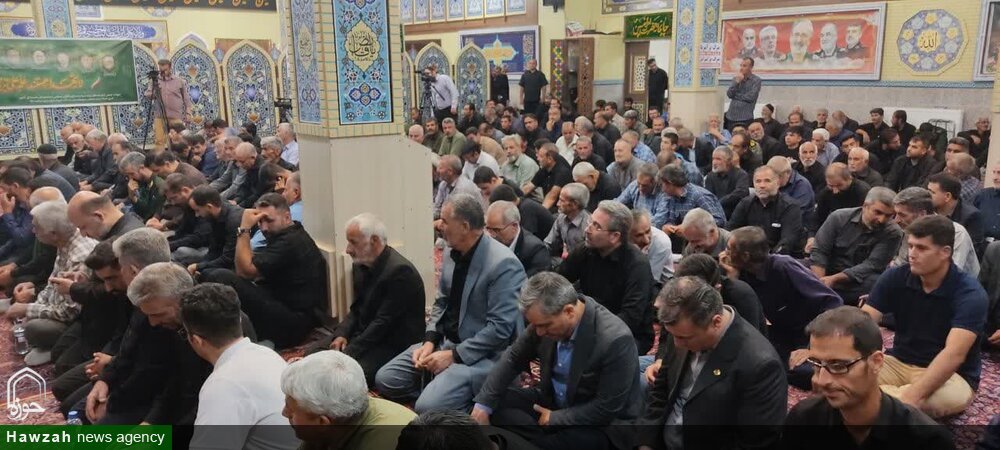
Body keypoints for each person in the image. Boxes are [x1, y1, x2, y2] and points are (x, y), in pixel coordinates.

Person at [376, 194, 525, 412]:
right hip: (446, 342)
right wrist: (430, 341)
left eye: (445, 221)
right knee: (386, 379)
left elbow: (499, 330)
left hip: (483, 355)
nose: (439, 225)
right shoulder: (450, 251)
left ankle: (473, 401)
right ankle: (444, 392)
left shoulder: (504, 265)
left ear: (464, 226)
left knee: (426, 407)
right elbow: (442, 302)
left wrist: (454, 356)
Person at [471, 272, 641, 450]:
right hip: (551, 402)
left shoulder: (614, 339)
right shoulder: (545, 320)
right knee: (492, 402)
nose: (539, 332)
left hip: (599, 424)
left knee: (564, 442)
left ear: (569, 311)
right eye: (535, 325)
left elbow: (606, 408)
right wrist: (483, 406)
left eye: (544, 326)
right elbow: (513, 358)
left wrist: (555, 419)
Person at [631, 276, 786, 450]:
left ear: (716, 322)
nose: (677, 344)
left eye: (684, 337)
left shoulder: (760, 365)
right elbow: (660, 394)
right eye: (673, 335)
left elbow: (755, 442)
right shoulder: (682, 331)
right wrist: (646, 443)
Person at [863, 215, 988, 418]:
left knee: (944, 399)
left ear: (945, 252)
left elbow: (954, 354)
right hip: (898, 362)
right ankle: (884, 401)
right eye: (911, 246)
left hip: (952, 375)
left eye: (921, 248)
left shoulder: (970, 294)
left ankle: (876, 400)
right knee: (847, 377)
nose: (912, 254)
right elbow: (864, 323)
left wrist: (912, 396)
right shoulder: (896, 276)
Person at [782, 306, 955, 449]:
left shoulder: (927, 439)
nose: (821, 380)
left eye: (839, 365)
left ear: (876, 362)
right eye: (817, 364)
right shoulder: (804, 419)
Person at [720, 226, 842, 389]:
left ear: (745, 256)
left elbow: (833, 302)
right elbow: (737, 314)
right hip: (783, 332)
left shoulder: (783, 266)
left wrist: (812, 348)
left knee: (802, 371)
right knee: (753, 362)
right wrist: (733, 279)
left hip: (811, 333)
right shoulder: (742, 272)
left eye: (729, 249)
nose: (724, 253)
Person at [184, 283, 300, 450]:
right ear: (239, 320)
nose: (153, 322)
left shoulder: (224, 384)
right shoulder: (266, 354)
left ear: (195, 340)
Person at [202, 194, 327, 349]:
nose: (264, 227)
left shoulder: (289, 242)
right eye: (260, 221)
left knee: (220, 277)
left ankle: (235, 340)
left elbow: (244, 271)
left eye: (269, 220)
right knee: (212, 274)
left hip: (295, 322)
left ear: (287, 217)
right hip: (284, 305)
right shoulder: (289, 234)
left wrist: (244, 229)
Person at [329, 213, 426, 385]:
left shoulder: (400, 272)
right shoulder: (362, 264)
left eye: (353, 242)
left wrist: (347, 354)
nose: (348, 249)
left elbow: (383, 323)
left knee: (343, 377)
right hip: (366, 334)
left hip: (391, 343)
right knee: (314, 354)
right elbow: (357, 309)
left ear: (373, 241)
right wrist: (342, 334)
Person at [5, 201, 97, 366]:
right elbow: (51, 285)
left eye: (36, 228)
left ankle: (53, 345)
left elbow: (69, 313)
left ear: (53, 234)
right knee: (26, 318)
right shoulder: (64, 242)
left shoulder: (79, 256)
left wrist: (28, 309)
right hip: (59, 307)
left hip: (78, 321)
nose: (33, 231)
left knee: (33, 328)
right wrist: (33, 308)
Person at [557, 201, 654, 354]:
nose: (587, 229)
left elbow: (630, 317)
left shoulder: (637, 265)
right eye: (590, 222)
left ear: (615, 236)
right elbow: (558, 280)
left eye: (596, 226)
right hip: (588, 321)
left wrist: (585, 331)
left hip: (627, 334)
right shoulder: (585, 250)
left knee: (585, 355)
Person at [282, 351, 416, 449]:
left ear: (322, 422)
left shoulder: (383, 443)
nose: (284, 413)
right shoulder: (340, 415)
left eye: (290, 411)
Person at [810, 187, 902, 306]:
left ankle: (821, 295)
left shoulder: (893, 232)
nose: (881, 219)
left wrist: (833, 279)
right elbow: (820, 250)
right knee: (792, 265)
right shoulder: (839, 217)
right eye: (878, 212)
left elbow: (872, 265)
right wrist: (819, 283)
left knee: (876, 283)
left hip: (855, 280)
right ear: (865, 206)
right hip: (826, 269)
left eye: (888, 216)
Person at [892, 187, 980, 277]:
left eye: (902, 215)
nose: (896, 220)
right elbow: (900, 264)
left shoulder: (956, 233)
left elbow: (950, 274)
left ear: (922, 214)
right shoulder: (911, 229)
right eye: (895, 214)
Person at [728, 165, 804, 255]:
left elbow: (787, 243)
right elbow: (730, 231)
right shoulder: (745, 203)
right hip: (750, 257)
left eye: (767, 181)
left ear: (777, 183)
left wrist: (769, 259)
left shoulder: (790, 207)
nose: (762, 186)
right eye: (758, 181)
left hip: (781, 258)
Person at [657, 165, 726, 238]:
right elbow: (672, 220)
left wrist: (690, 227)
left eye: (662, 185)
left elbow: (719, 220)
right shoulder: (672, 197)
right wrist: (668, 226)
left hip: (710, 238)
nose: (662, 189)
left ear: (669, 183)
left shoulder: (699, 196)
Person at [187, 185, 242, 274]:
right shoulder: (214, 217)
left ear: (209, 207)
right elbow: (214, 249)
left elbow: (228, 259)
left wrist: (199, 267)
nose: (197, 215)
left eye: (198, 210)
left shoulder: (234, 221)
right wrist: (200, 266)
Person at [928, 172, 986, 257]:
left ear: (947, 196)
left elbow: (969, 250)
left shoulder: (971, 217)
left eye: (932, 192)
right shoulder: (926, 210)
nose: (927, 196)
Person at [810, 162, 871, 242]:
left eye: (839, 185)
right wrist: (812, 237)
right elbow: (818, 217)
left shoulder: (862, 192)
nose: (835, 191)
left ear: (849, 178)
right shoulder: (826, 192)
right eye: (831, 186)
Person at [486, 201, 549, 277]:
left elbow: (535, 282)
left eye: (496, 230)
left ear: (514, 226)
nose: (490, 235)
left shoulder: (536, 250)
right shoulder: (487, 243)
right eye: (488, 228)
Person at [144, 60, 190, 149]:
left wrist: (188, 112)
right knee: (159, 140)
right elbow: (147, 94)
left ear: (170, 68)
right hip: (160, 116)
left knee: (177, 139)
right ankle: (160, 157)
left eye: (165, 70)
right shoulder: (155, 81)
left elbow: (186, 98)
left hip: (176, 115)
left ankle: (177, 156)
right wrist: (155, 92)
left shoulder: (179, 81)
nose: (163, 72)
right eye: (161, 69)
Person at [544, 182, 591, 260]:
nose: (558, 204)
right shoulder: (561, 218)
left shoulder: (588, 226)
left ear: (574, 204)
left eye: (562, 200)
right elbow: (549, 243)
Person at [523, 143, 573, 211]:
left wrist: (540, 213)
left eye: (541, 156)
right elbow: (529, 187)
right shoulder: (545, 167)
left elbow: (552, 196)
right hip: (548, 205)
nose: (537, 158)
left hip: (560, 210)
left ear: (549, 159)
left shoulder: (562, 172)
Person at [704, 145, 750, 217]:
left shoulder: (741, 175)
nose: (714, 162)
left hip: (736, 213)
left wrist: (720, 202)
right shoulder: (710, 176)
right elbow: (708, 196)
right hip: (716, 213)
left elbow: (741, 193)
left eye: (718, 159)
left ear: (728, 161)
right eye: (713, 159)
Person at [433, 155, 482, 221]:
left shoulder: (463, 188)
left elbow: (458, 215)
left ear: (450, 171)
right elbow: (437, 208)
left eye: (440, 168)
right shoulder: (443, 184)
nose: (437, 170)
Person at [631, 209, 673, 283]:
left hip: (659, 284)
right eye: (639, 235)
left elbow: (648, 280)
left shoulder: (661, 242)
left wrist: (638, 255)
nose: (646, 240)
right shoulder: (620, 238)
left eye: (648, 231)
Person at [725, 57, 762, 131]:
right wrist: (736, 82)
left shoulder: (756, 80)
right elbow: (729, 94)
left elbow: (751, 97)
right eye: (741, 65)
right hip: (731, 116)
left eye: (744, 66)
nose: (741, 68)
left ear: (751, 67)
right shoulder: (736, 79)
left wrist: (735, 96)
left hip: (745, 117)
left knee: (743, 137)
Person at [975, 165, 1000, 241]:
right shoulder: (982, 195)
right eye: (994, 172)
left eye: (999, 173)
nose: (995, 178)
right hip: (981, 244)